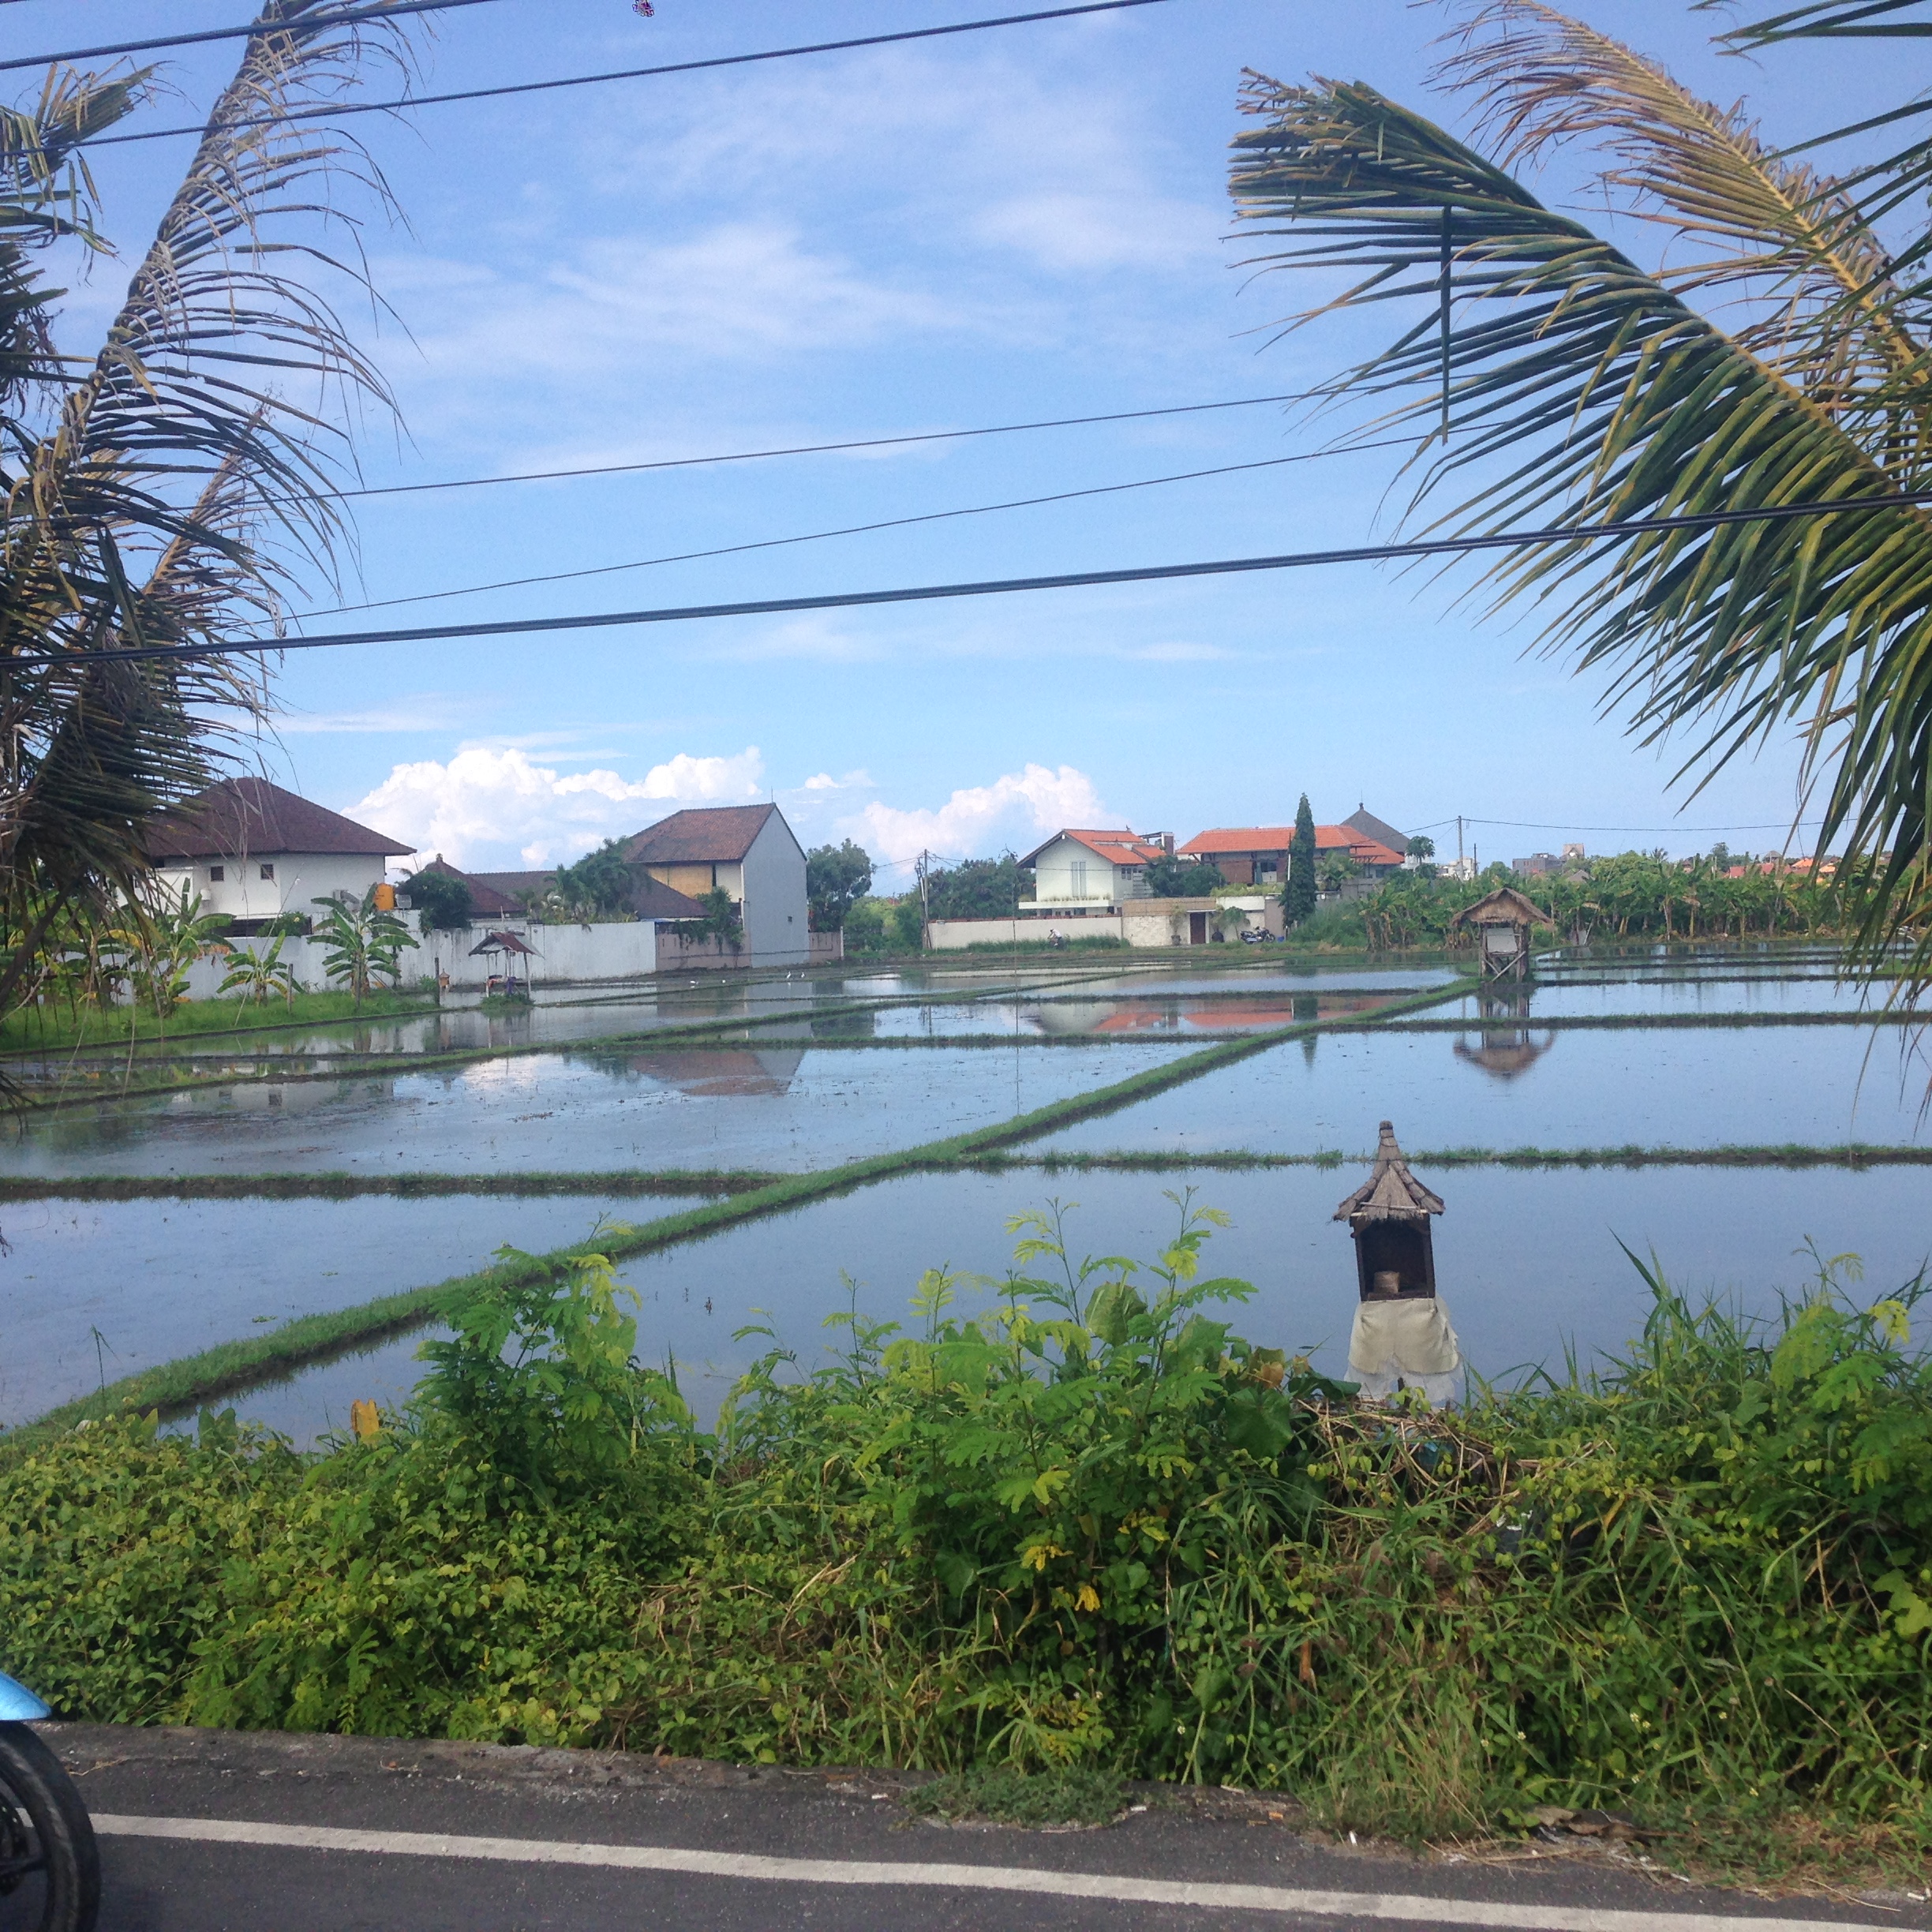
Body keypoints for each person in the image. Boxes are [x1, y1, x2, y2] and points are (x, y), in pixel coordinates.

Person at [1346, 1271, 1462, 1406]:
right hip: (1379, 1314)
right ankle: (1402, 1407)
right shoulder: (1372, 1310)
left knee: (1413, 1388)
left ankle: (1407, 1407)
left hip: (1414, 1311)